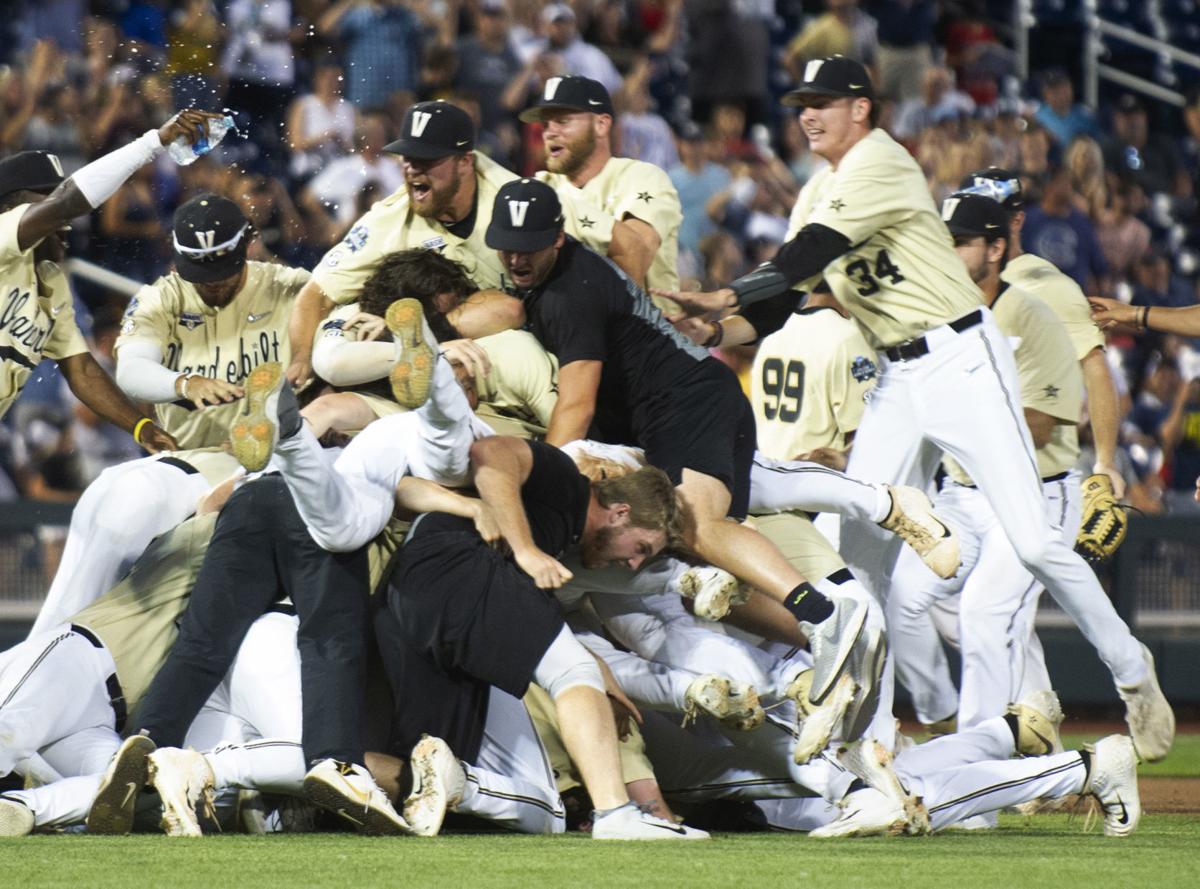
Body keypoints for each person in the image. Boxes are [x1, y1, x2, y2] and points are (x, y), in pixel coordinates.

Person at [661, 55, 1174, 762]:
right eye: (801, 103)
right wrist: (717, 330)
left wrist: (726, 294)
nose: (807, 114)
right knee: (859, 547)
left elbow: (815, 250)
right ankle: (869, 743)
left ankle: (1131, 670)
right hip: (897, 377)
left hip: (960, 355)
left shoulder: (882, 161)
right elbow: (786, 294)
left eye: (824, 102)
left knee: (1031, 541)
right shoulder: (815, 188)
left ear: (862, 109)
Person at [479, 177, 881, 713]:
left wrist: (546, 483)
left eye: (527, 246)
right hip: (686, 405)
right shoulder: (559, 277)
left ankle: (824, 617)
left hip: (684, 404)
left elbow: (576, 404)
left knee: (699, 527)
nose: (514, 256)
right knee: (689, 547)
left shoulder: (569, 293)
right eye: (506, 243)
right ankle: (816, 640)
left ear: (557, 239)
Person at [376, 431, 708, 840]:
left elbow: (526, 615)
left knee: (430, 765)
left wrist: (602, 672)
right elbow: (492, 452)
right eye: (641, 547)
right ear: (620, 512)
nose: (634, 563)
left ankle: (311, 770)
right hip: (453, 568)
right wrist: (526, 549)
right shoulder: (567, 482)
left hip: (411, 598)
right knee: (574, 672)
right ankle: (616, 814)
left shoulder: (555, 528)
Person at [30, 194, 309, 634]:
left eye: (222, 270)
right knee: (113, 509)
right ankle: (50, 642)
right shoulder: (161, 297)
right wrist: (183, 383)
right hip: (190, 457)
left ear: (247, 247)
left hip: (273, 461)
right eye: (199, 271)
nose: (211, 284)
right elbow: (133, 371)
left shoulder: (289, 287)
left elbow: (339, 310)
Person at [888, 193, 1084, 733]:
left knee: (984, 613)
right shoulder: (933, 318)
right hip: (963, 494)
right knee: (902, 593)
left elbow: (1040, 424)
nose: (948, 251)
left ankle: (982, 762)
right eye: (943, 241)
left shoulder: (1030, 313)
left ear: (996, 247)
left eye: (962, 241)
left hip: (1035, 491)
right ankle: (945, 722)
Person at [285, 100, 518, 390]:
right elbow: (317, 294)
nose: (413, 170)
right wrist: (300, 358)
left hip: (497, 344)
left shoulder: (512, 204)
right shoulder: (391, 217)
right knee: (330, 363)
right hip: (410, 344)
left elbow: (522, 306)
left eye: (427, 160)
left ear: (465, 162)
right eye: (407, 158)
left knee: (511, 325)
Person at [521, 75, 683, 294]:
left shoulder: (642, 177)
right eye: (545, 124)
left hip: (644, 323)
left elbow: (633, 261)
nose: (549, 133)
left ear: (601, 124)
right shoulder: (541, 185)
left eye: (562, 121)